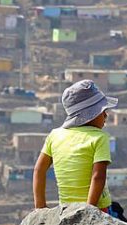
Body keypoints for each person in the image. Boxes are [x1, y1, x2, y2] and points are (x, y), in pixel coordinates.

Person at [32, 80, 117, 215]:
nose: (106, 116)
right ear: (91, 114)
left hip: (66, 210)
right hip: (98, 209)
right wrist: (89, 211)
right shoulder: (99, 138)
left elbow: (39, 169)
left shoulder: (54, 136)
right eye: (103, 111)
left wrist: (40, 207)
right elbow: (98, 177)